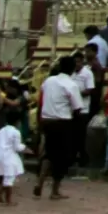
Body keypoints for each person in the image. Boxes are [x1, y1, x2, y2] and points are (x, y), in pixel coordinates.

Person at [35, 56, 84, 199]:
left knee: (48, 153)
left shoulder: (49, 81)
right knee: (62, 157)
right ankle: (55, 190)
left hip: (47, 120)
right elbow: (77, 107)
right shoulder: (71, 85)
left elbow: (41, 99)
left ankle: (40, 181)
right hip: (62, 122)